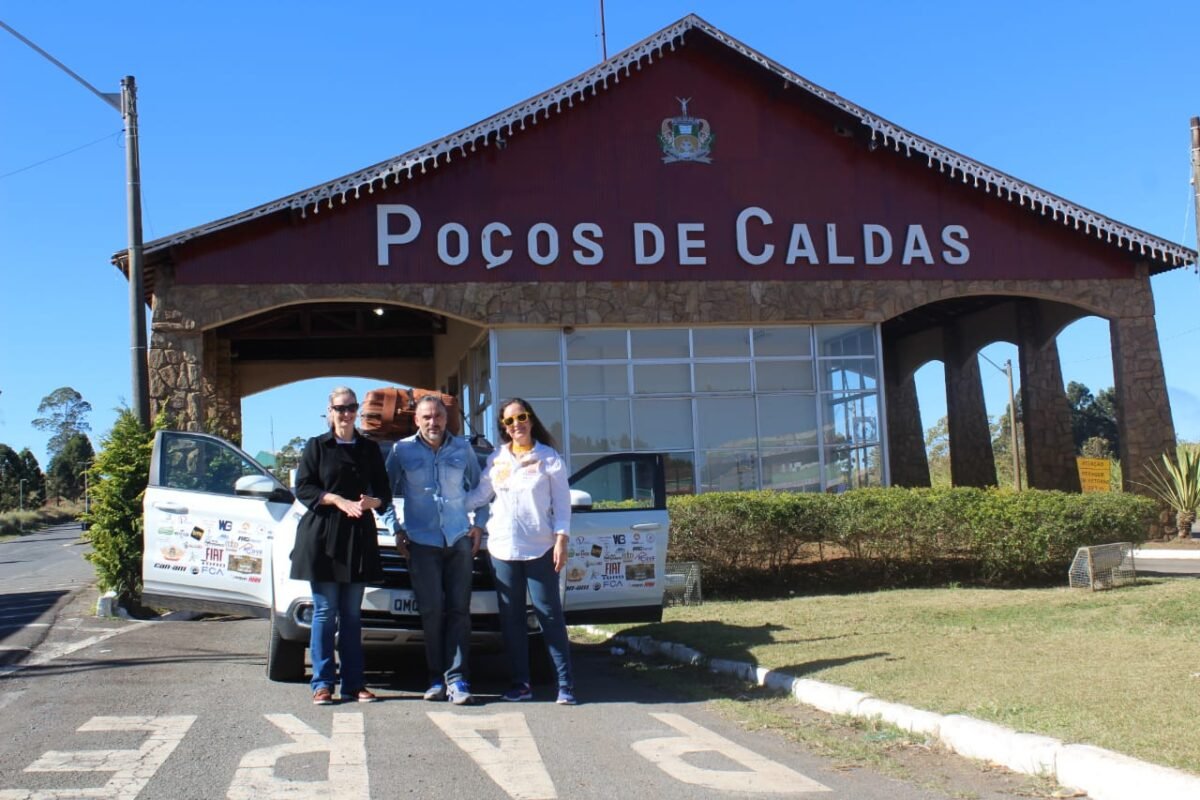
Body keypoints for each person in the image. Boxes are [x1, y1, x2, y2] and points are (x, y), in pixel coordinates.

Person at [467, 397, 576, 705]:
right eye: (509, 421)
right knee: (511, 619)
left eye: (521, 417)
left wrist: (562, 539)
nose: (517, 425)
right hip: (502, 549)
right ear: (504, 427)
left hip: (540, 548)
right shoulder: (498, 459)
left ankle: (565, 685)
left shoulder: (549, 458)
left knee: (549, 615)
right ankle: (521, 684)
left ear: (531, 419)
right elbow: (480, 495)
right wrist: (447, 505)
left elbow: (563, 505)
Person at [383, 395, 488, 705]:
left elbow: (483, 489)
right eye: (426, 417)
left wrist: (479, 524)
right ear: (417, 420)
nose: (433, 422)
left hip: (458, 540)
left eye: (438, 416)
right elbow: (382, 494)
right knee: (431, 612)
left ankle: (458, 679)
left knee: (459, 611)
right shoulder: (401, 450)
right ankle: (435, 678)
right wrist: (395, 529)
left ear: (446, 419)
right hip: (421, 543)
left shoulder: (463, 449)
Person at [290, 386, 391, 705]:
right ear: (329, 412)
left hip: (358, 538)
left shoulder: (369, 448)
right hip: (323, 537)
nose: (346, 414)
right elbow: (303, 487)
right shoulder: (317, 446)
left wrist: (374, 502)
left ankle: (354, 683)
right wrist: (335, 499)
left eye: (351, 407)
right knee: (324, 612)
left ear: (357, 411)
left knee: (351, 615)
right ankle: (322, 683)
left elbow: (384, 492)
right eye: (340, 408)